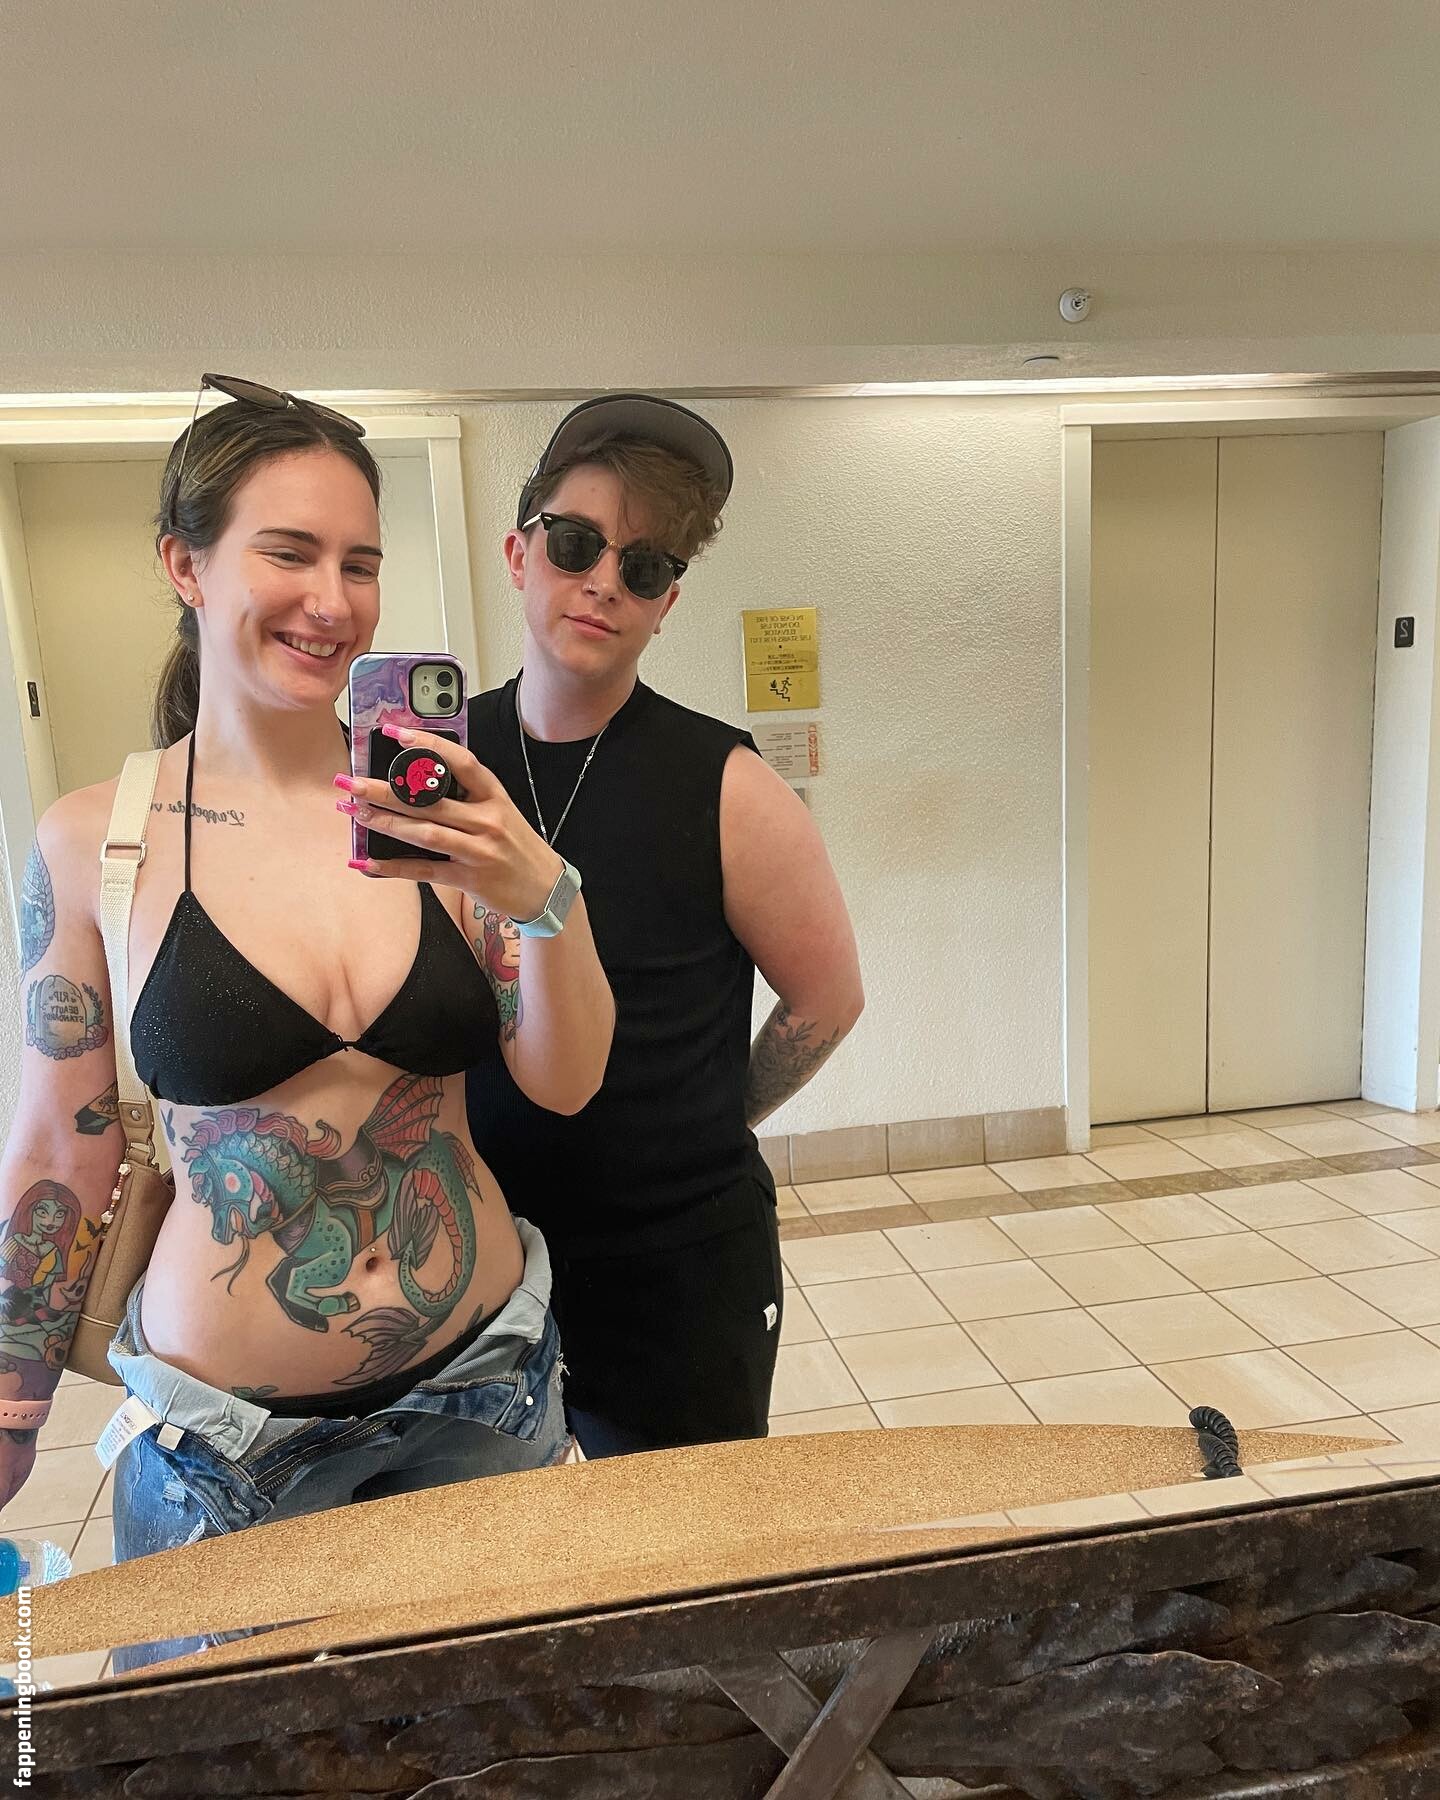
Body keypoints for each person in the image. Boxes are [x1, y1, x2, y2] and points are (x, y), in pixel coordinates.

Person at [0, 378, 614, 1668]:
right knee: (221, 1748)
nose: (332, 601)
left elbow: (564, 1083)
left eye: (361, 563)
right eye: (289, 552)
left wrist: (542, 893)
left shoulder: (437, 808)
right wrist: (9, 1418)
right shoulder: (97, 841)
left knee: (503, 1731)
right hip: (229, 1449)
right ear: (185, 564)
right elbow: (60, 1148)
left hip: (483, 1391)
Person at [466, 395, 864, 1458]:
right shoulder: (443, 765)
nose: (604, 581)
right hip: (471, 1261)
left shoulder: (726, 785)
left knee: (690, 1548)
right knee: (495, 1548)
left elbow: (828, 1000)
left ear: (667, 602)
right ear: (519, 552)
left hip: (675, 1262)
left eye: (643, 567)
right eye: (576, 543)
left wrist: (711, 1119)